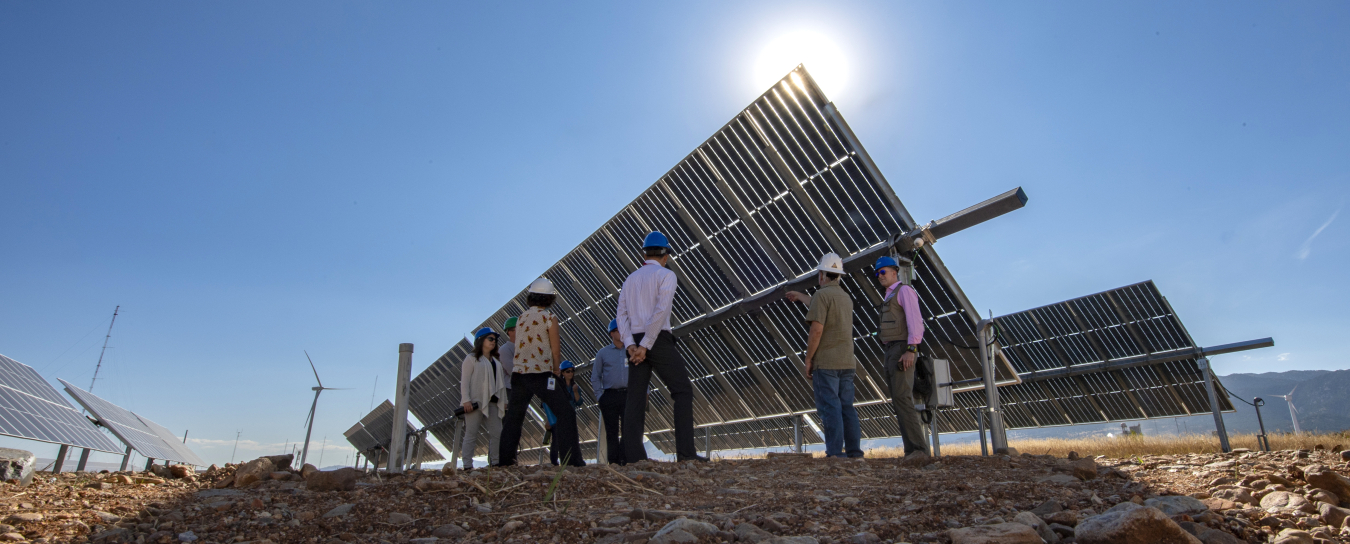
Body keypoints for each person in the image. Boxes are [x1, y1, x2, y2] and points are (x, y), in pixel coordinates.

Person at [616, 231, 707, 463]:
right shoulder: (666, 275)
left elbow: (621, 316)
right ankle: (686, 454)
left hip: (635, 342)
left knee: (635, 397)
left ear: (643, 254)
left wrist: (630, 346)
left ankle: (633, 457)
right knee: (682, 391)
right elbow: (661, 311)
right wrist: (646, 345)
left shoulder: (629, 280)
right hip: (657, 339)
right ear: (666, 254)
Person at [497, 277, 585, 467]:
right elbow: (555, 350)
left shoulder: (520, 319)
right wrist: (556, 370)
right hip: (541, 374)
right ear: (549, 299)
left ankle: (505, 461)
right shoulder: (549, 318)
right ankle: (572, 460)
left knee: (514, 417)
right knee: (566, 413)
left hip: (519, 375)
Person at [784, 253, 862, 459]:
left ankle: (835, 454)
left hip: (826, 363)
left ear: (822, 275)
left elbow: (816, 330)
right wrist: (801, 297)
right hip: (847, 362)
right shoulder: (845, 297)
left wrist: (808, 359)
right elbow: (825, 306)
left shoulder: (821, 295)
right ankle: (855, 453)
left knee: (830, 408)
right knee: (847, 407)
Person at [872, 255, 929, 462]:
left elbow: (916, 321)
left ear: (894, 272)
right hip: (890, 350)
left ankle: (919, 449)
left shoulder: (904, 291)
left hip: (902, 348)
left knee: (903, 398)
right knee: (898, 400)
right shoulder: (888, 296)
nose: (879, 276)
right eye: (877, 273)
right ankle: (910, 451)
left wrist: (911, 349)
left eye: (883, 272)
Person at [459, 327, 509, 469]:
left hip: (493, 402)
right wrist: (466, 400)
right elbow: (465, 381)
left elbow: (501, 385)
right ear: (481, 340)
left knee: (497, 433)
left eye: (495, 339)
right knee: (471, 434)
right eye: (490, 338)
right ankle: (467, 465)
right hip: (475, 402)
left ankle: (495, 462)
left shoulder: (496, 363)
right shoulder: (471, 359)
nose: (493, 342)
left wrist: (503, 401)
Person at [591, 319, 629, 464]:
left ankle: (625, 460)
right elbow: (595, 377)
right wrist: (600, 397)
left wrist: (645, 392)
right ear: (612, 333)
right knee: (612, 431)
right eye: (619, 330)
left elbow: (641, 373)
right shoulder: (603, 353)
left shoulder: (631, 350)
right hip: (610, 395)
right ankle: (613, 461)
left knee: (628, 430)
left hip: (628, 395)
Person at [543, 360, 584, 465]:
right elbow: (549, 401)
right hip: (558, 416)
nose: (570, 373)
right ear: (563, 373)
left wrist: (575, 392)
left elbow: (579, 402)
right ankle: (554, 462)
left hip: (570, 416)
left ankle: (572, 460)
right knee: (557, 439)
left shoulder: (575, 387)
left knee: (572, 438)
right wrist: (548, 418)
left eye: (572, 371)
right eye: (567, 371)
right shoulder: (557, 386)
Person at [499, 316, 517, 389]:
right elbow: (514, 372)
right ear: (509, 332)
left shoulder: (528, 347)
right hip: (510, 390)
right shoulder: (504, 349)